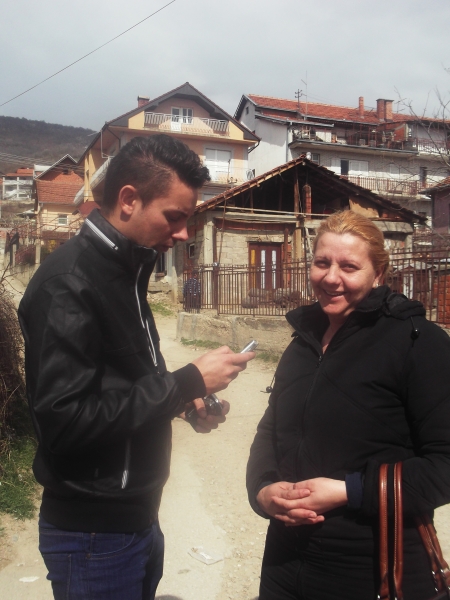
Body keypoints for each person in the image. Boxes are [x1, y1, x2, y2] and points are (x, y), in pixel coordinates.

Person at [18, 134, 255, 600]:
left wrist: (183, 403)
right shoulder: (69, 283)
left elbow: (121, 385)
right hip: (94, 535)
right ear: (129, 200)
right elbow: (64, 422)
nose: (183, 233)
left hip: (135, 520)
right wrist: (186, 381)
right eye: (175, 216)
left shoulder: (126, 272)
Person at [247, 210, 450, 600]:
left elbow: (445, 465)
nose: (331, 277)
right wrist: (261, 488)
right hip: (283, 564)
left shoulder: (417, 342)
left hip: (374, 570)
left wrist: (349, 491)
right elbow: (271, 430)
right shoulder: (303, 342)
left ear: (378, 274)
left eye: (349, 266)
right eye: (322, 263)